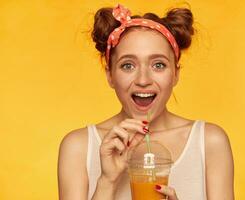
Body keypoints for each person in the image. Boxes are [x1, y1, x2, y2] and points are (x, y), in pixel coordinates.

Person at [58, 3, 234, 200]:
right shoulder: (79, 147)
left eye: (158, 65)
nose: (143, 80)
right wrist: (107, 181)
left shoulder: (209, 142)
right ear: (110, 75)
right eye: (127, 65)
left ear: (175, 74)